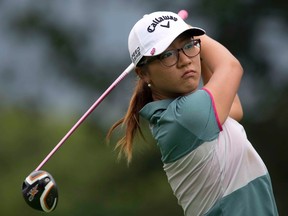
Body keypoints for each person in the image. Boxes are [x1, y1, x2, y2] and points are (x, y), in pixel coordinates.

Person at [107, 11, 278, 215]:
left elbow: (234, 110)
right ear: (143, 72)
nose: (185, 61)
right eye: (167, 54)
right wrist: (187, 30)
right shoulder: (185, 117)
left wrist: (184, 35)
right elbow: (231, 66)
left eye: (188, 46)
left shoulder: (180, 115)